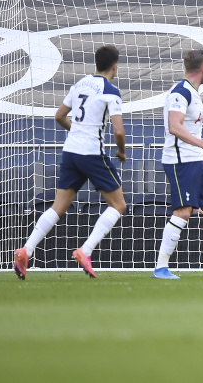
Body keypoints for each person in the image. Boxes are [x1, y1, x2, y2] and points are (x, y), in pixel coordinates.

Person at [13, 45, 127, 279]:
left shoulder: (80, 84)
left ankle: (26, 250)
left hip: (71, 151)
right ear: (115, 65)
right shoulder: (111, 90)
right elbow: (118, 132)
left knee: (58, 206)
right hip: (92, 153)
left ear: (96, 63)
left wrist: (77, 131)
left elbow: (59, 116)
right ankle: (85, 251)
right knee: (118, 205)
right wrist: (122, 151)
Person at [153, 49, 203, 280]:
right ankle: (161, 267)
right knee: (183, 211)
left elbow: (189, 129)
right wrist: (202, 143)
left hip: (197, 159)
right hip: (180, 161)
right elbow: (174, 126)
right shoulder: (180, 92)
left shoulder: (193, 93)